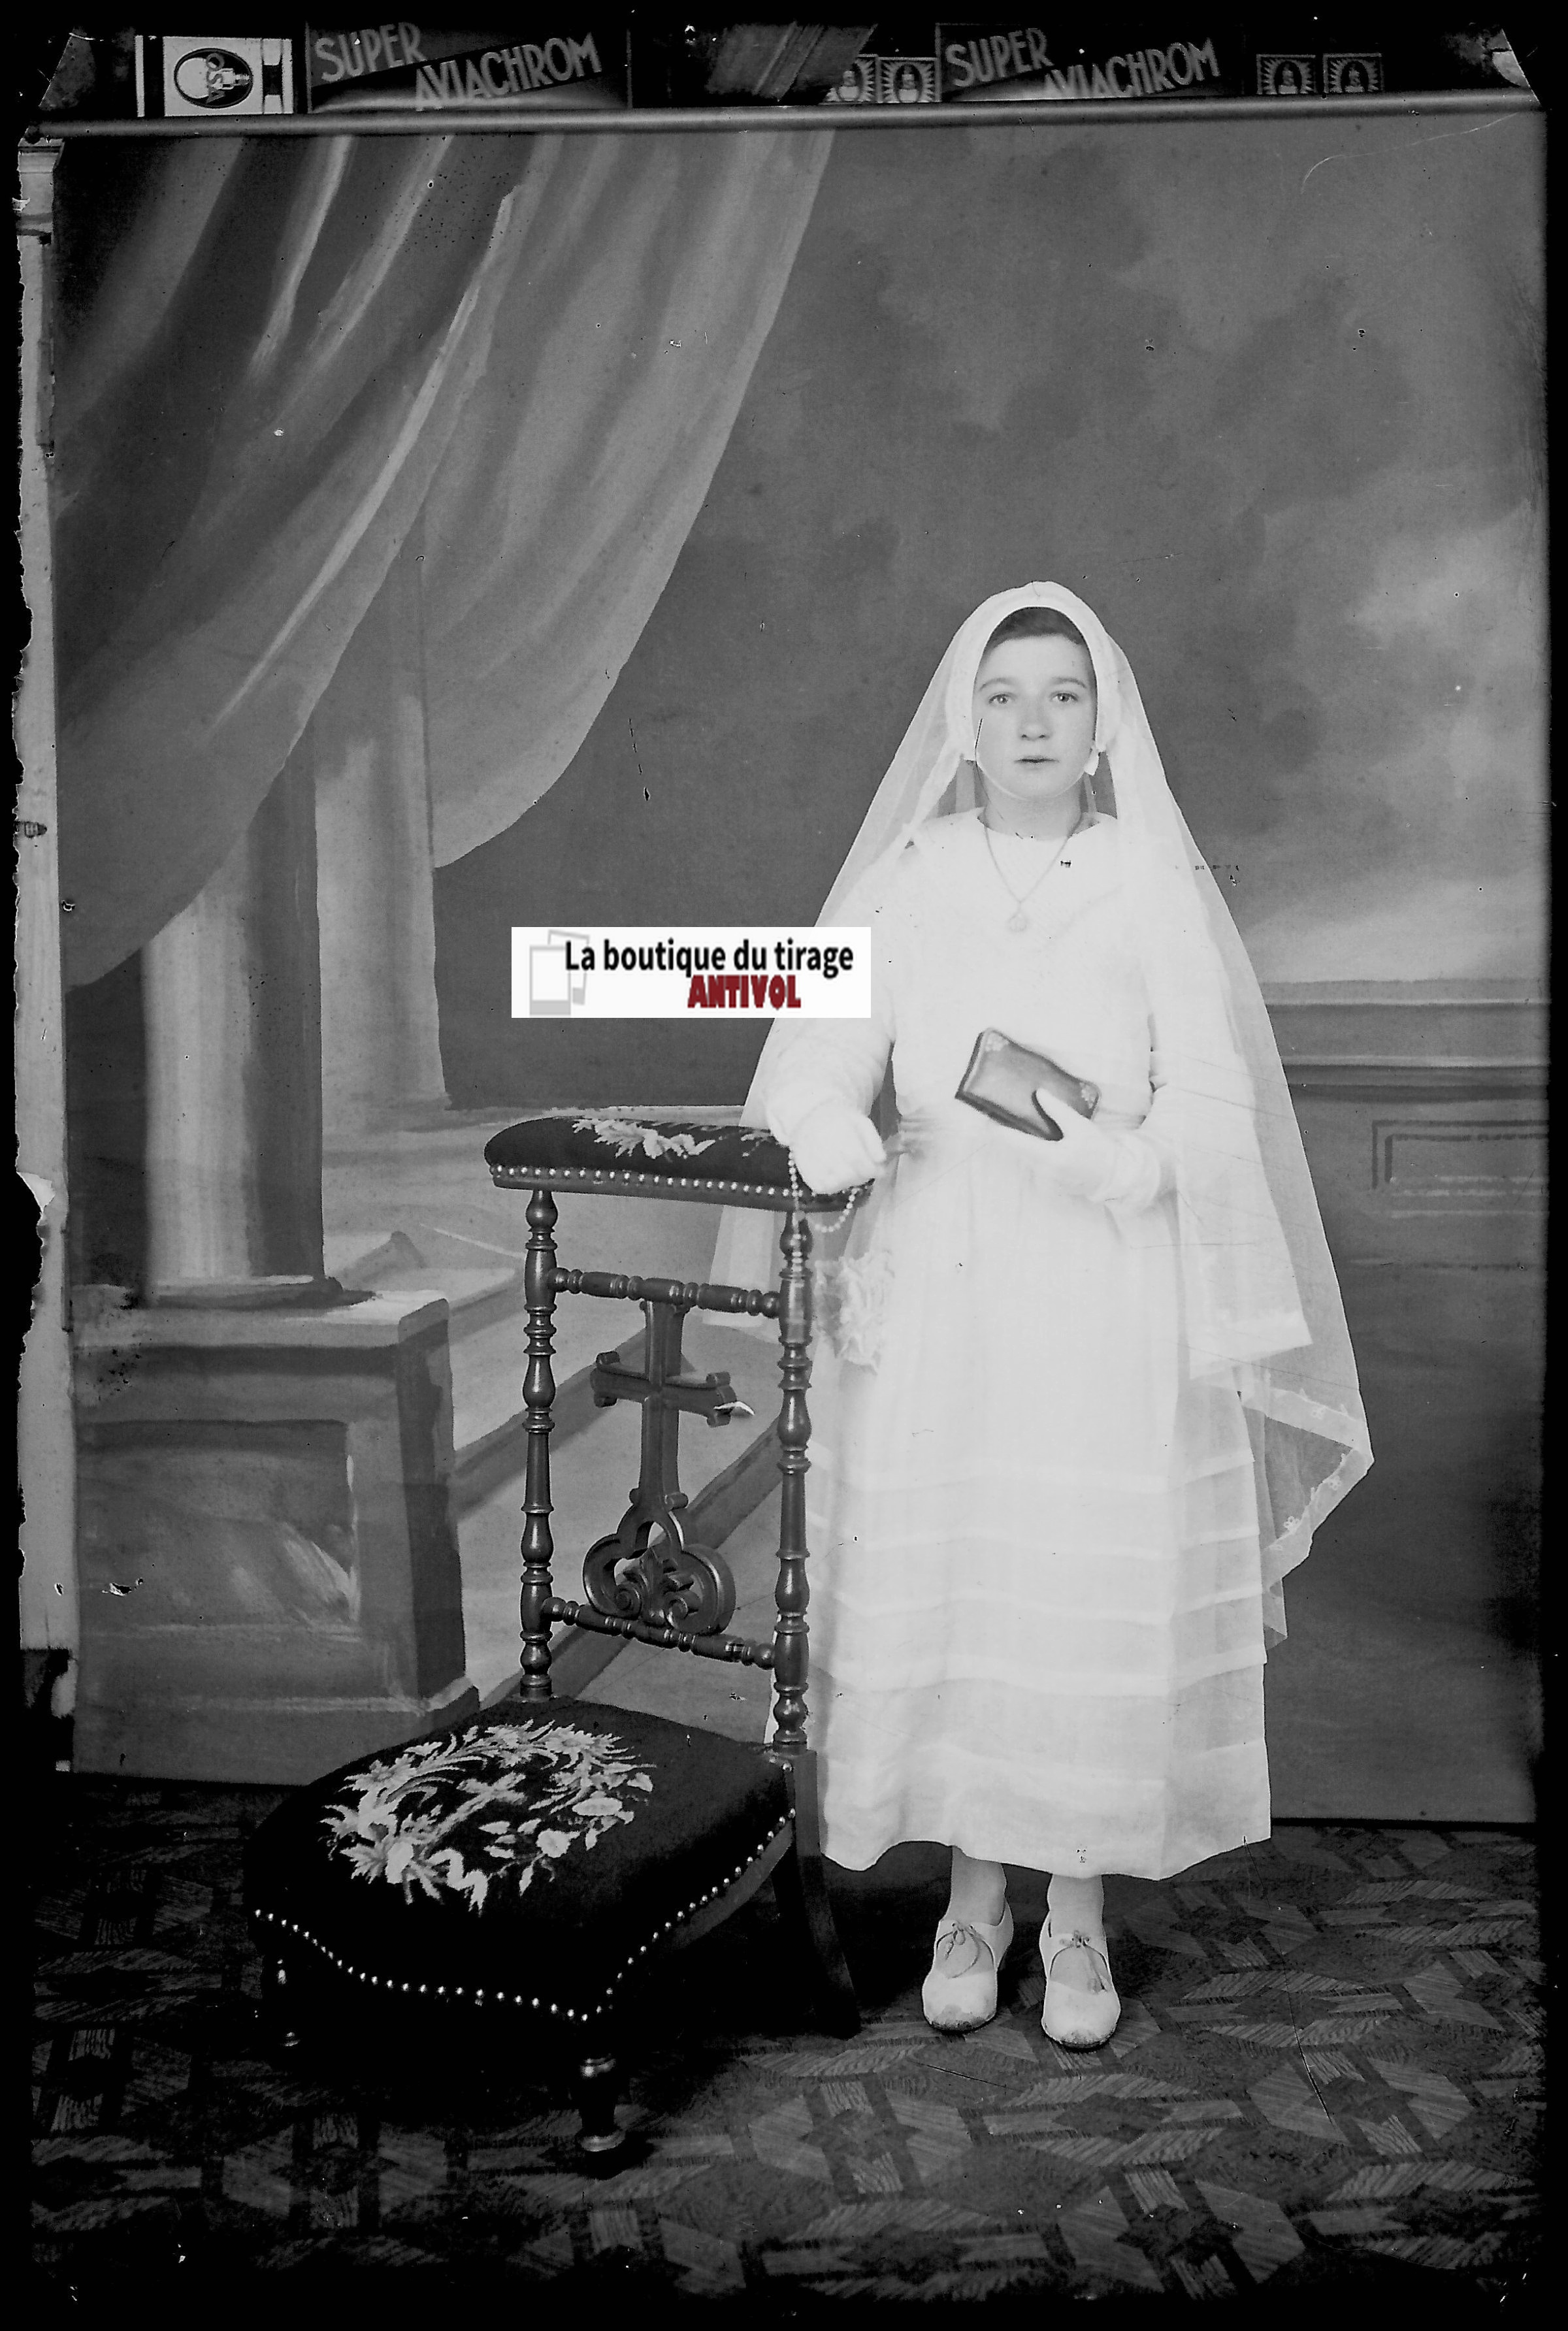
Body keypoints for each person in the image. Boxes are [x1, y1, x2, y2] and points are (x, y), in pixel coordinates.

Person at [712, 582, 1370, 2048]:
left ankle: (1073, 1909)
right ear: (966, 721)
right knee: (968, 1574)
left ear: (1102, 721)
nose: (1031, 722)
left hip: (1101, 1276)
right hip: (945, 1272)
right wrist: (826, 1120)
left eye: (1062, 695)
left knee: (1073, 1577)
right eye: (1004, 695)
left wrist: (1129, 1164)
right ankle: (974, 1898)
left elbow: (1212, 1100)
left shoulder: (1146, 877)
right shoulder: (908, 873)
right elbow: (814, 1050)